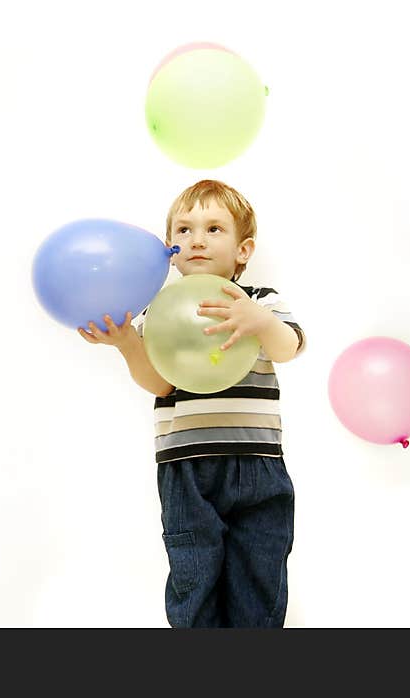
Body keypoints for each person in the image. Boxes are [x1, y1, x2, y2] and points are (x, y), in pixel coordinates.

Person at [78, 179, 306, 628]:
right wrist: (127, 343)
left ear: (244, 249)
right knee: (194, 575)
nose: (196, 239)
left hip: (258, 463)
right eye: (184, 230)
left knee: (260, 574)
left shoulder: (259, 301)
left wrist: (258, 320)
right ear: (168, 248)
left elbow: (288, 347)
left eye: (214, 229)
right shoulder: (158, 310)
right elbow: (160, 384)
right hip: (187, 467)